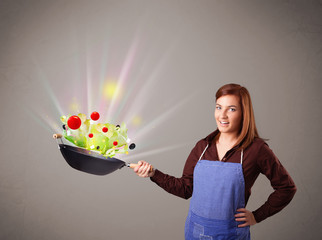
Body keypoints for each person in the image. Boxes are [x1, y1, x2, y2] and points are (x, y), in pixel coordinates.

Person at [133, 83, 297, 240]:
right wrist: (153, 173)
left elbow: (287, 188)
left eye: (231, 109)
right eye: (219, 107)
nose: (222, 115)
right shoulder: (202, 147)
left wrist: (257, 216)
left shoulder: (257, 149)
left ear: (244, 113)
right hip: (195, 232)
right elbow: (185, 189)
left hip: (230, 235)